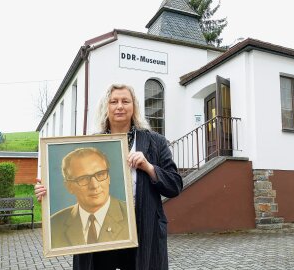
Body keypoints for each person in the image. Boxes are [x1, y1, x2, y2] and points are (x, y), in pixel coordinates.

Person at [35, 83, 183, 270]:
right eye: (114, 101)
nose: (119, 106)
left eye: (125, 101)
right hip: (97, 235)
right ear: (106, 107)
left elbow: (175, 185)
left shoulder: (155, 142)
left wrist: (149, 167)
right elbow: (66, 181)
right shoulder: (90, 144)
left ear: (134, 106)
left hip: (143, 231)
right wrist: (47, 193)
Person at [50, 147, 129, 249]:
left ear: (109, 178)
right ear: (69, 187)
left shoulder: (131, 215)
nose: (94, 185)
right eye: (83, 178)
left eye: (100, 174)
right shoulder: (54, 225)